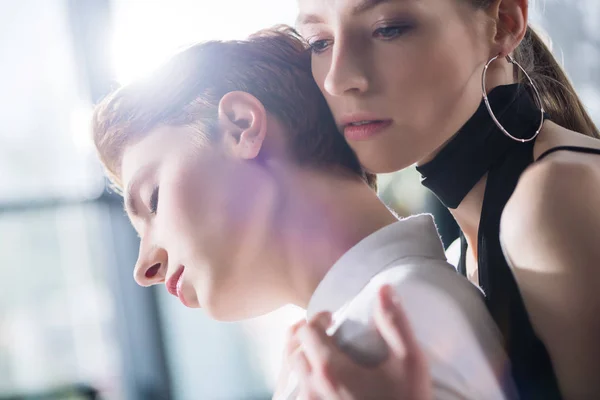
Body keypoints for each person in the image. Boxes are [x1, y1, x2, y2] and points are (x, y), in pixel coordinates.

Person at [92, 28, 517, 399]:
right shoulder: (357, 335)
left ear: (240, 126)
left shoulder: (390, 324)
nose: (143, 267)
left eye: (153, 200)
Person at [291, 0, 600, 399]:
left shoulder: (551, 199)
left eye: (388, 29)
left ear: (504, 24)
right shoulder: (463, 251)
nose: (338, 77)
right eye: (319, 42)